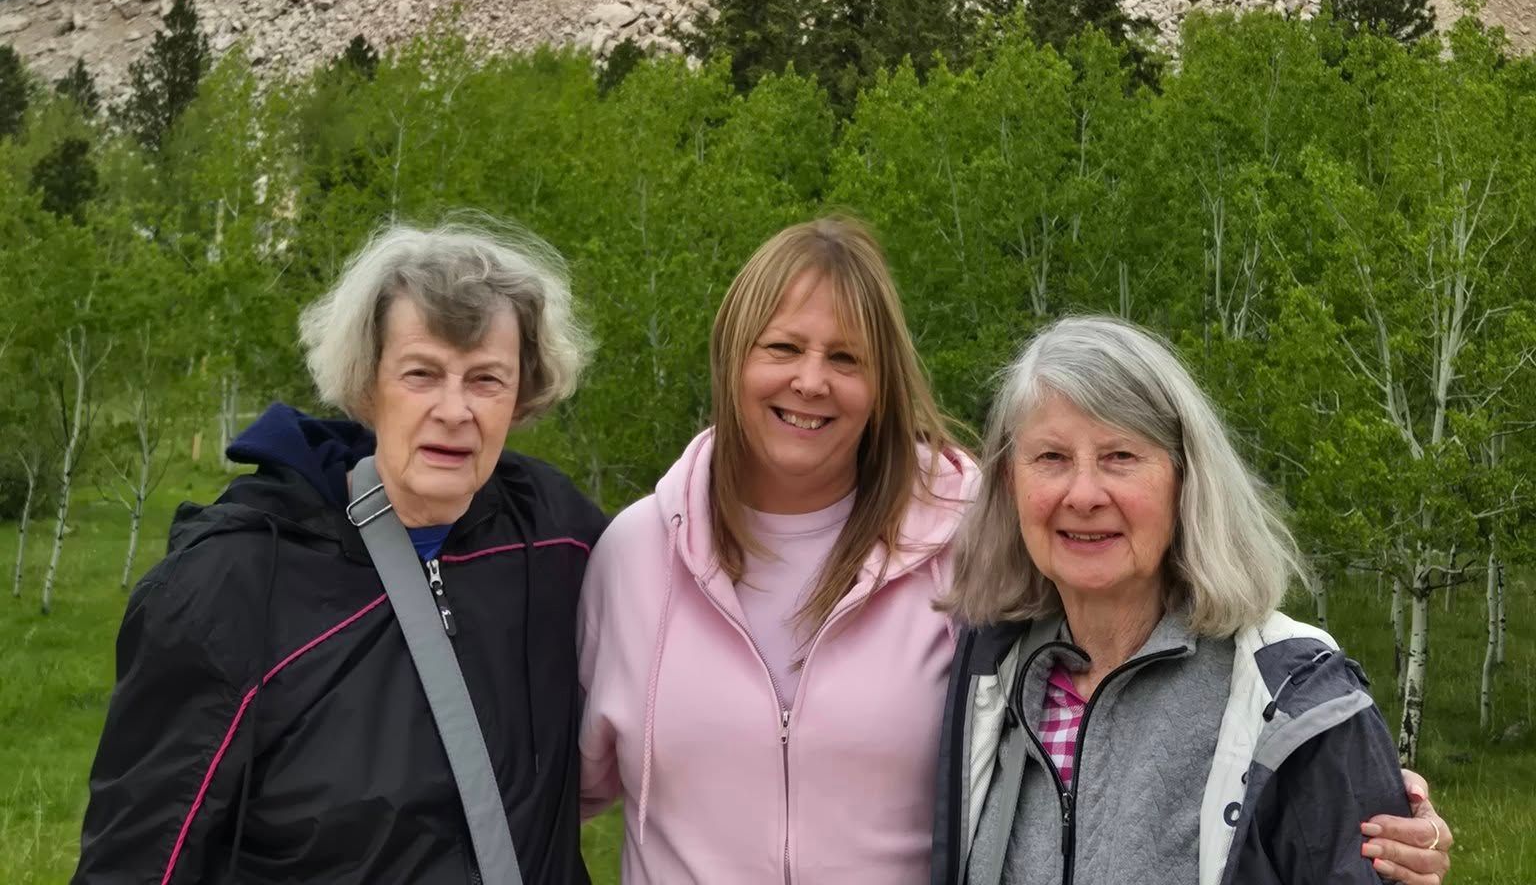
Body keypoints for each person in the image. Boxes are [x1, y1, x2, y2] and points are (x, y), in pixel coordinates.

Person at [73, 220, 605, 885]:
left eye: (486, 380)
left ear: (521, 396)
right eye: (421, 373)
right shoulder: (235, 582)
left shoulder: (557, 535)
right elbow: (142, 855)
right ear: (367, 384)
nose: (454, 409)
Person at [933, 315, 1453, 885]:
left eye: (1120, 457)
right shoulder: (989, 679)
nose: (1082, 494)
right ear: (1010, 483)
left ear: (1186, 482)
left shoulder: (1295, 696)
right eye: (1051, 458)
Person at [577, 217, 977, 884]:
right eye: (784, 348)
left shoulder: (969, 543)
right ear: (734, 357)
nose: (811, 381)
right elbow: (551, 799)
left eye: (846, 359)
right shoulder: (633, 554)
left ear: (882, 388)